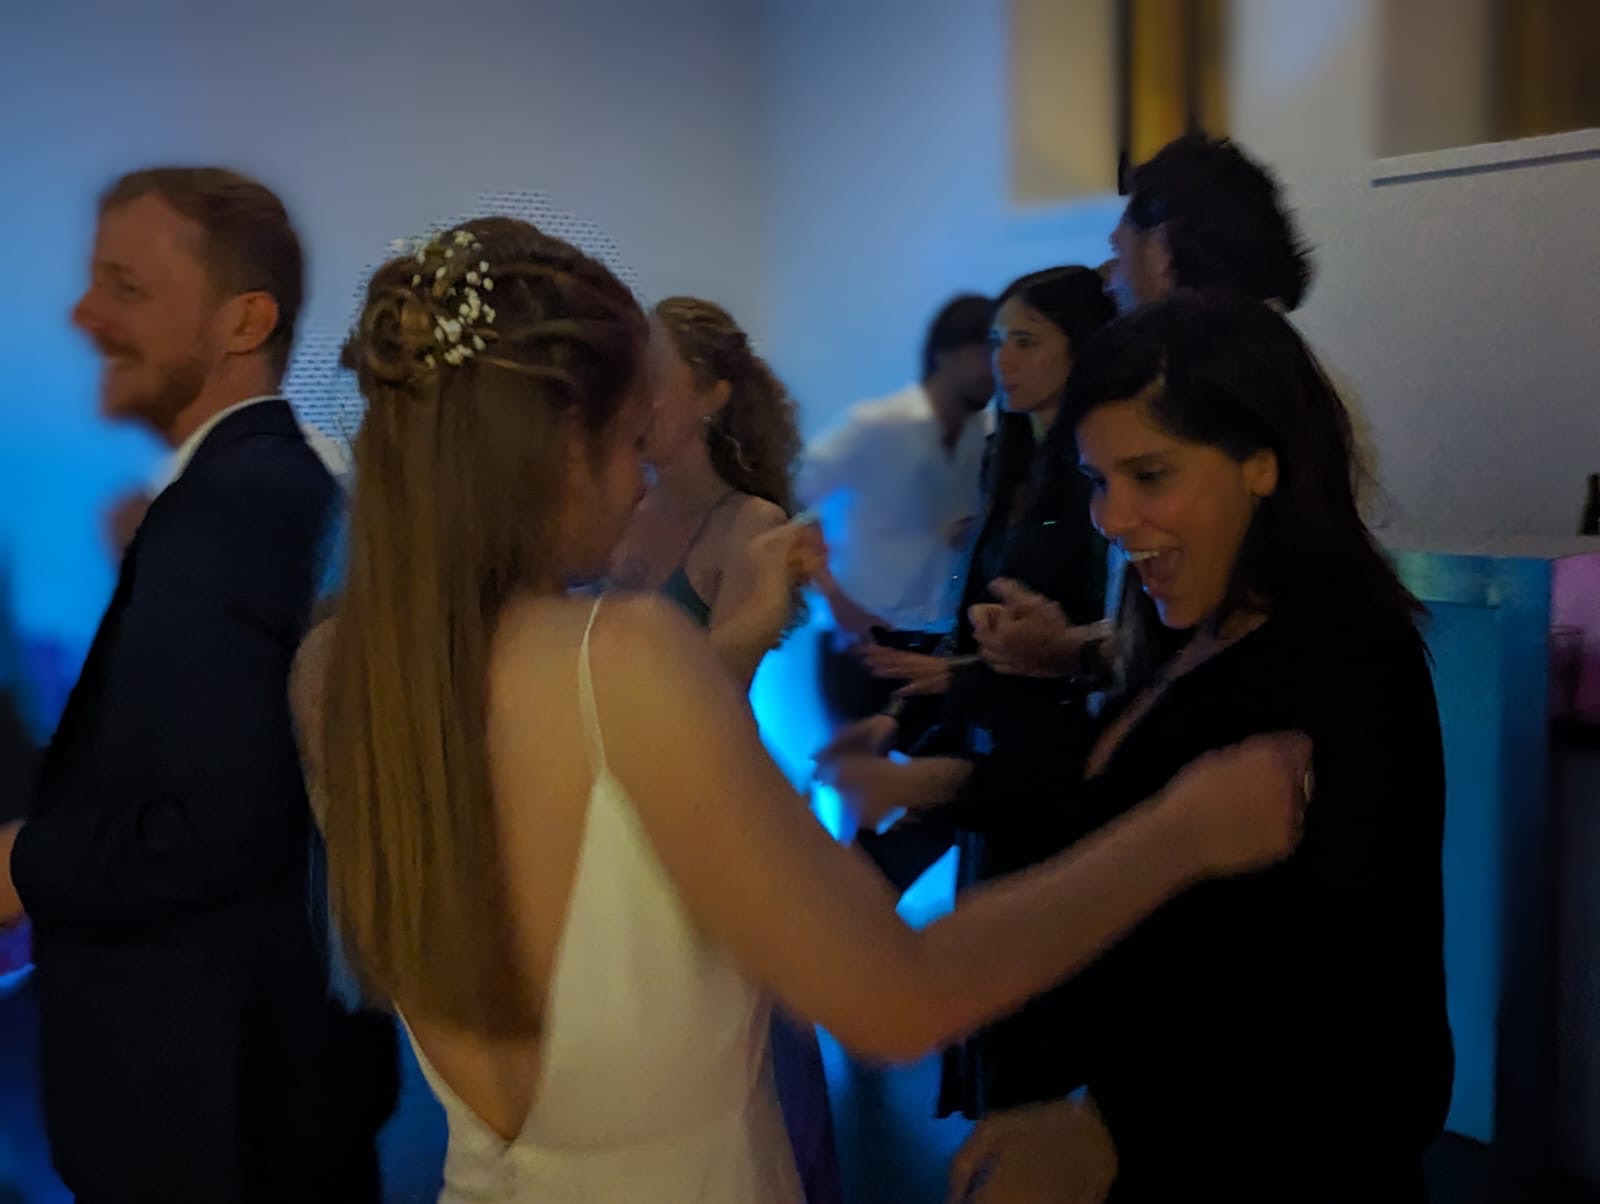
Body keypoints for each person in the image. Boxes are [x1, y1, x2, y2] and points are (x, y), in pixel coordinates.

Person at [292, 217, 1312, 1202]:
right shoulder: (622, 655)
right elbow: (896, 998)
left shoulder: (332, 673)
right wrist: (1182, 832)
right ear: (561, 446)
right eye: (626, 441)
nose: (639, 479)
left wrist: (748, 638)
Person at [940, 291, 1454, 1203]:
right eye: (1100, 481)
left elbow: (1366, 1033)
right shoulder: (1187, 634)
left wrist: (1115, 1129)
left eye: (1150, 475)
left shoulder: (1345, 665)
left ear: (1263, 462)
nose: (1111, 517)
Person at [0, 168, 397, 1202]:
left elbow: (220, 821)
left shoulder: (234, 506)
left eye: (125, 288)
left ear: (243, 321)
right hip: (250, 1087)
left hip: (220, 1110)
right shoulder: (250, 493)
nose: (84, 316)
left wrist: (23, 864)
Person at [817, 266, 1118, 1118]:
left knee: (1020, 970)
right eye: (997, 342)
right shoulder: (1007, 460)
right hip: (983, 724)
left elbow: (1101, 630)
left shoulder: (1093, 477)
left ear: (1080, 349)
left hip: (1049, 751)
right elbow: (976, 609)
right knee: (887, 879)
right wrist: (915, 700)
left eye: (1026, 341)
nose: (1003, 361)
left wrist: (963, 674)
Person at [610, 295, 842, 1202]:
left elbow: (710, 692)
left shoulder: (749, 524)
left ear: (712, 394)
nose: (632, 398)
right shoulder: (616, 508)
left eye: (653, 380)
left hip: (710, 809)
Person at [976, 134, 1341, 680]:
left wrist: (1067, 653)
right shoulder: (1280, 370)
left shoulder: (1212, 382)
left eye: (1150, 476)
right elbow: (1185, 639)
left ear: (1161, 251)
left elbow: (1229, 643)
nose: (1109, 277)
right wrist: (1068, 649)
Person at [796, 294, 996, 724]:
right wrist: (834, 599)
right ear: (947, 354)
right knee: (855, 759)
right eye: (987, 350)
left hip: (945, 642)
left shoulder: (991, 435)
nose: (997, 365)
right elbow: (795, 506)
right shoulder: (877, 426)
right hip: (862, 635)